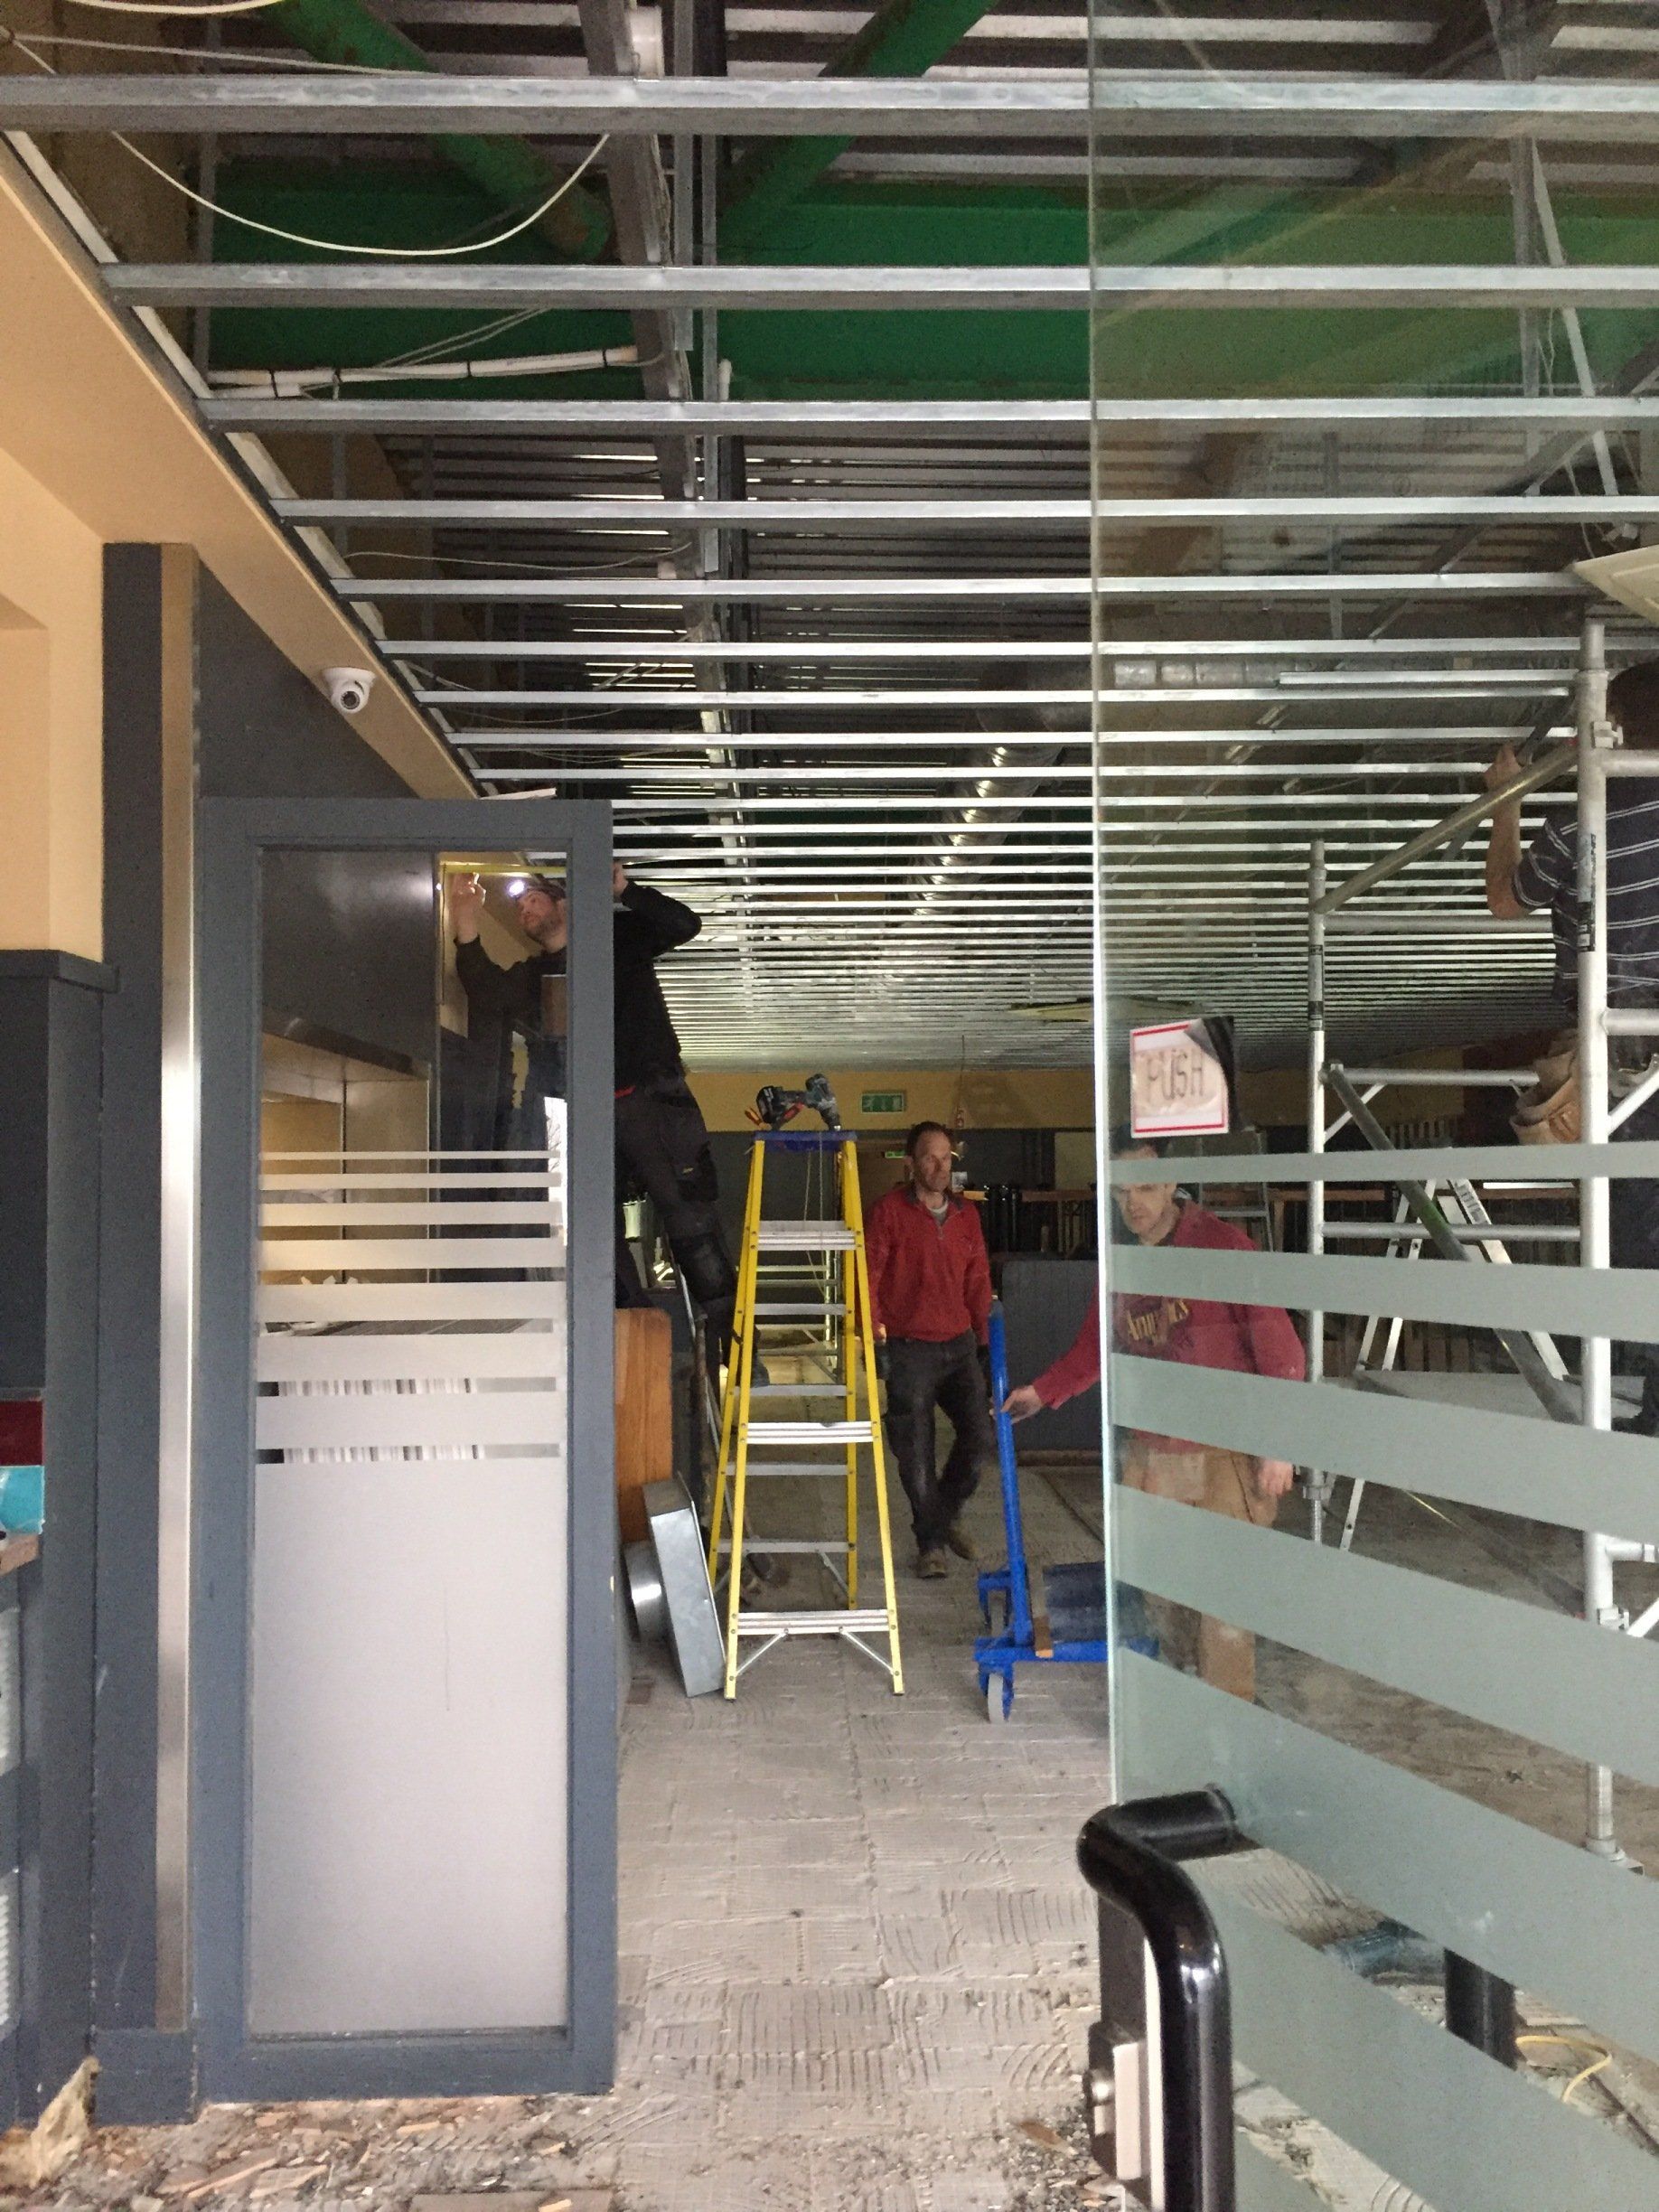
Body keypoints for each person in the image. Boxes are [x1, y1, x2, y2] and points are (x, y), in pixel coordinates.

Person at [1003, 1133, 1304, 1701]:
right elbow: (1095, 1348)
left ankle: (1228, 1715)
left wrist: (1278, 1445)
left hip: (1223, 1451)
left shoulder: (1223, 1248)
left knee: (1224, 1599)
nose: (1132, 1203)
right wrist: (1044, 1393)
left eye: (1144, 1187)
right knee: (1160, 1588)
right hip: (1155, 1451)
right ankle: (1185, 1692)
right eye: (1120, 1194)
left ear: (1171, 1183)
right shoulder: (1124, 1262)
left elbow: (1282, 1352)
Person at [449, 865, 739, 1364]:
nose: (524, 909)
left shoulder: (617, 940)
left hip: (650, 1098)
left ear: (565, 904)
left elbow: (683, 925)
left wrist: (623, 890)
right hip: (583, 1117)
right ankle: (637, 1340)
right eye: (520, 907)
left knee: (689, 1220)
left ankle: (736, 1345)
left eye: (534, 899)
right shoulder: (534, 976)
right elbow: (485, 990)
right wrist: (465, 919)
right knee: (592, 1233)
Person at [1485, 659, 1659, 1431]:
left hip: (1620, 1054)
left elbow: (1502, 902)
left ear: (1614, 725)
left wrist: (1504, 801)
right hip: (1628, 1046)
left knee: (1631, 1226)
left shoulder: (1586, 820)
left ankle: (1641, 1420)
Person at [864, 1121, 995, 1579]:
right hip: (909, 1348)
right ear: (911, 1163)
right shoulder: (888, 1213)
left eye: (947, 1158)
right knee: (914, 1450)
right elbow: (869, 1278)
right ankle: (930, 1544)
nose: (940, 1167)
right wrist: (875, 1338)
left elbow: (978, 1281)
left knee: (979, 1437)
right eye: (930, 1158)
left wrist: (983, 1343)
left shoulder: (966, 1216)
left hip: (958, 1345)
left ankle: (943, 1514)